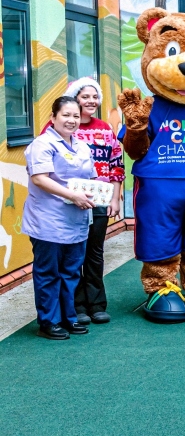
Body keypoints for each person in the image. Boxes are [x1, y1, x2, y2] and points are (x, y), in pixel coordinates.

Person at [43, 78, 124, 326]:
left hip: (98, 199)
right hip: (68, 201)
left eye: (94, 97)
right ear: (74, 98)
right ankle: (76, 306)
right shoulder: (58, 127)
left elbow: (116, 164)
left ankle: (97, 304)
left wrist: (115, 197)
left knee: (95, 253)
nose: (90, 101)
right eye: (85, 96)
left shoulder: (104, 128)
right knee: (72, 254)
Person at [23, 97, 97, 340]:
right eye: (66, 115)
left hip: (76, 221)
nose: (72, 120)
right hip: (48, 221)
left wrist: (95, 194)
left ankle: (69, 317)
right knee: (48, 272)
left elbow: (91, 178)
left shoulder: (83, 146)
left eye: (76, 116)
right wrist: (73, 195)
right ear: (53, 117)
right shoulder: (42, 144)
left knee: (71, 272)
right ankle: (49, 321)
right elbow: (40, 178)